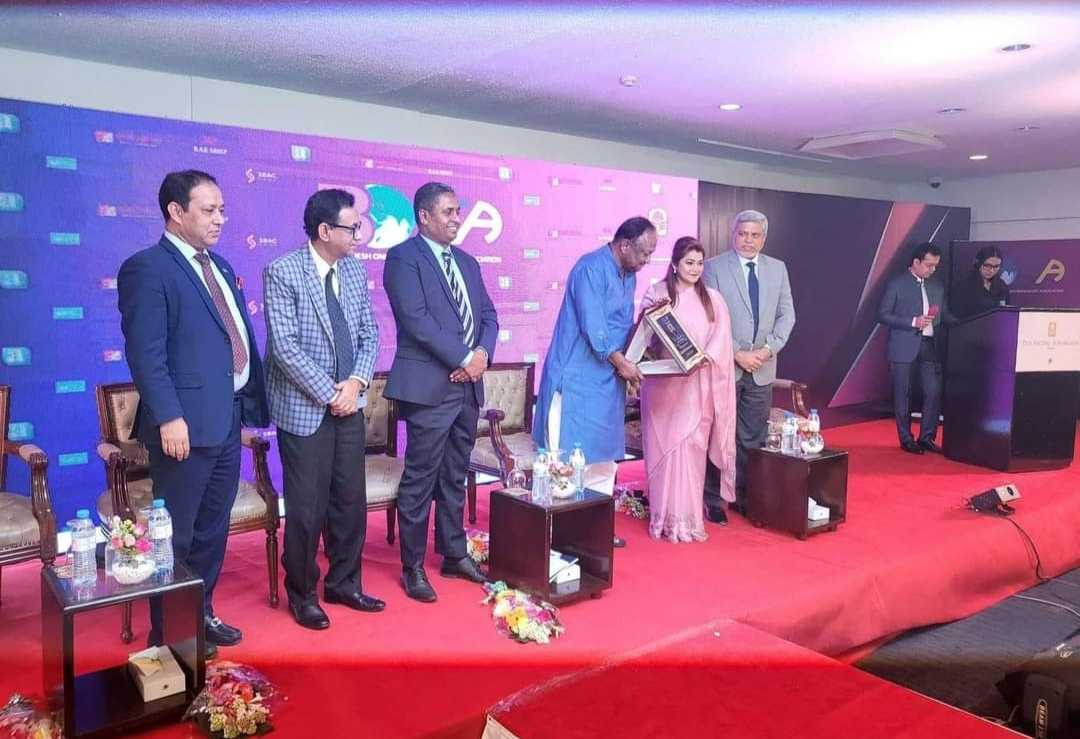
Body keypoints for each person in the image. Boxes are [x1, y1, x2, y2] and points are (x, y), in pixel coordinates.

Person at [118, 170, 268, 659]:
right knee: (176, 535)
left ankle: (200, 613)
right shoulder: (147, 268)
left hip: (225, 419)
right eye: (209, 210)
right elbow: (147, 354)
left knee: (211, 529)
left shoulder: (219, 265)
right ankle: (167, 634)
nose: (220, 219)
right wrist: (168, 417)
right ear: (176, 212)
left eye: (222, 209)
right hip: (183, 425)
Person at [263, 188, 383, 630]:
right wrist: (331, 393)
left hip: (349, 403)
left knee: (350, 502)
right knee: (307, 509)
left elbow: (370, 334)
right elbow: (285, 347)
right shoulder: (282, 271)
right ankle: (302, 593)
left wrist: (356, 383)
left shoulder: (354, 270)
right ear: (325, 230)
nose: (359, 236)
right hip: (305, 408)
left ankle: (345, 583)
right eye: (353, 228)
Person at [383, 182, 498, 603]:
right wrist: (464, 357)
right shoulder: (403, 258)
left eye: (458, 211)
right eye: (448, 212)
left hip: (467, 389)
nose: (456, 219)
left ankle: (453, 553)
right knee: (421, 478)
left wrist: (481, 355)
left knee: (455, 474)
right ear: (424, 216)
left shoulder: (467, 261)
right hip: (430, 388)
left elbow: (488, 315)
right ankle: (412, 566)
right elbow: (416, 321)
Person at [533, 216, 656, 548]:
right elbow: (595, 327)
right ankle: (559, 536)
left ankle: (594, 531)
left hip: (606, 380)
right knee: (567, 459)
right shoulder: (589, 268)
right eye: (644, 253)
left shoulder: (628, 275)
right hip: (576, 378)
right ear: (624, 245)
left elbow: (621, 328)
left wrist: (634, 358)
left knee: (603, 461)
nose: (647, 261)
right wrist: (623, 364)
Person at [640, 237, 736, 542]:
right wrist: (652, 318)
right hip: (663, 387)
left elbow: (722, 340)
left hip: (698, 387)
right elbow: (643, 339)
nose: (695, 269)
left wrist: (703, 357)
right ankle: (663, 518)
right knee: (664, 450)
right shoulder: (657, 294)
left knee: (692, 451)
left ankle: (688, 519)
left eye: (699, 263)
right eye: (688, 262)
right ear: (674, 264)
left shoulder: (713, 299)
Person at [701, 210, 795, 520]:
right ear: (733, 235)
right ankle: (713, 500)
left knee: (752, 437)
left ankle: (743, 495)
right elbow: (708, 319)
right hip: (726, 366)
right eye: (742, 234)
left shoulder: (778, 268)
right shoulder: (714, 267)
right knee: (719, 435)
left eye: (755, 235)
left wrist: (768, 350)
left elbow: (787, 315)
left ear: (763, 238)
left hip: (763, 368)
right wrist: (737, 353)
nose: (748, 240)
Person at [878, 242, 947, 455]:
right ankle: (906, 439)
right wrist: (912, 322)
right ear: (916, 262)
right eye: (929, 265)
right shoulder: (897, 284)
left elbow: (944, 314)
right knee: (903, 394)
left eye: (935, 266)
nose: (932, 269)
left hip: (930, 345)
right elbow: (883, 314)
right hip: (903, 345)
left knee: (933, 392)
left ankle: (927, 438)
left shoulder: (937, 286)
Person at [951, 245, 1010, 319]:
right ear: (978, 263)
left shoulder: (1002, 286)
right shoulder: (963, 287)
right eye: (987, 265)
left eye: (996, 266)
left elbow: (1006, 313)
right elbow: (957, 317)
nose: (991, 270)